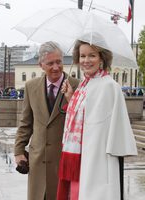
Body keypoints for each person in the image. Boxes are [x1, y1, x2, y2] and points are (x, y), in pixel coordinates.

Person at [57, 40, 138, 200]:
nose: (86, 60)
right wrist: (71, 97)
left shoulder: (109, 85)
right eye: (82, 56)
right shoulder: (84, 85)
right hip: (80, 156)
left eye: (92, 55)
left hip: (98, 157)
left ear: (102, 58)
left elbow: (109, 123)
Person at [14, 41, 79, 200]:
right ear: (41, 65)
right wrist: (19, 151)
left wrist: (71, 100)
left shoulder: (77, 86)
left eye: (59, 62)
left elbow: (82, 123)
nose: (56, 67)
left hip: (64, 161)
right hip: (37, 161)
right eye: (50, 63)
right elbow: (25, 123)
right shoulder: (31, 86)